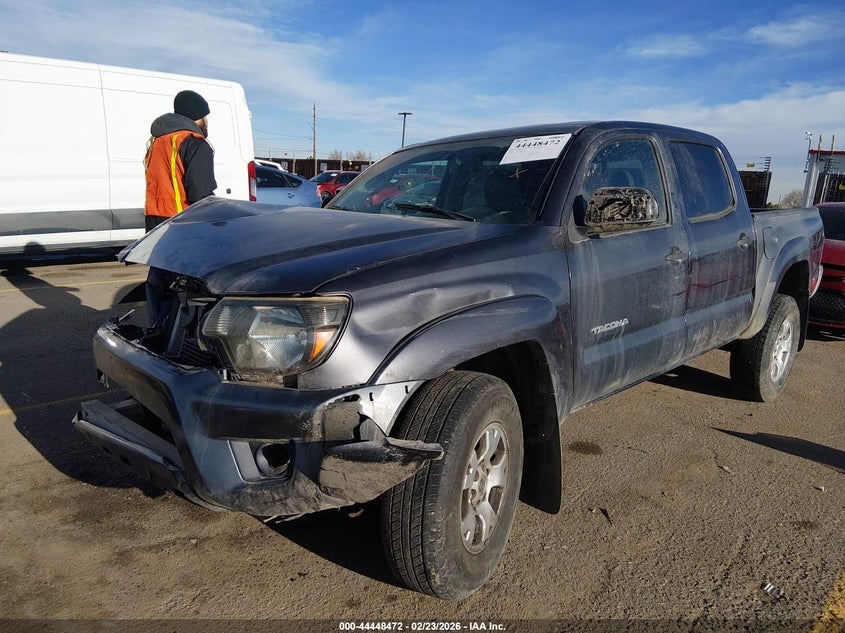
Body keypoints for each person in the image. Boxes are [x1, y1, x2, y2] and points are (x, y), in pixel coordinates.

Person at [143, 90, 217, 232]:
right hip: (183, 220)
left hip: (154, 219)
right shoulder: (195, 143)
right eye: (205, 117)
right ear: (197, 116)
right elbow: (200, 194)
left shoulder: (157, 142)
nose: (207, 121)